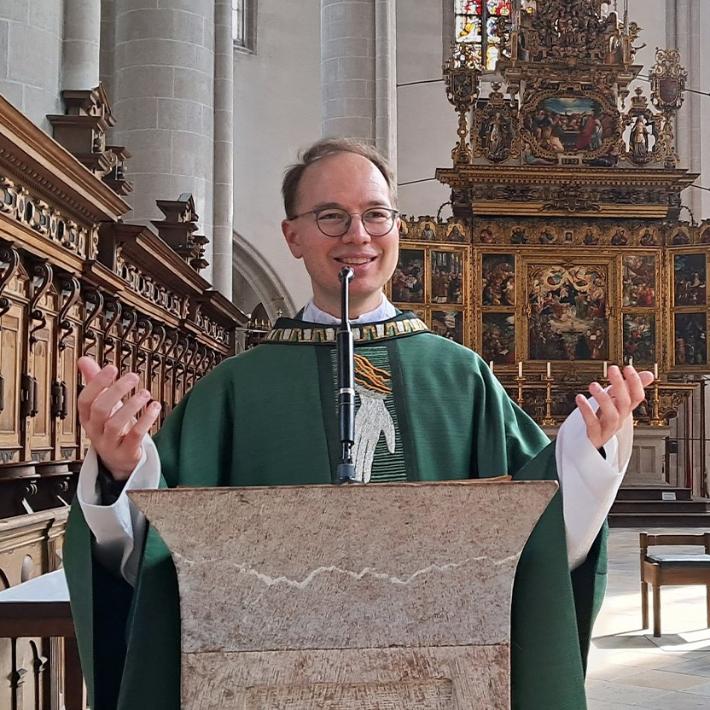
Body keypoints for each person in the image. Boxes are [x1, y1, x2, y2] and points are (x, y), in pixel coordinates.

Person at [64, 138, 653, 710]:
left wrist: (584, 451)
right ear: (292, 236)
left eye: (376, 215)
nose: (358, 235)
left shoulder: (459, 376)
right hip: (269, 680)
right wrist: (123, 469)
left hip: (443, 677)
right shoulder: (236, 388)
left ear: (397, 228)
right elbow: (163, 557)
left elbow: (536, 529)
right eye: (331, 216)